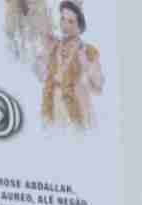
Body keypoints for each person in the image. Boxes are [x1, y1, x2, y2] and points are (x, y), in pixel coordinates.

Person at [36, 1, 103, 129]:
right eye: (62, 19)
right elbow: (41, 76)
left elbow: (98, 88)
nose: (65, 26)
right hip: (53, 107)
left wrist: (85, 66)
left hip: (76, 107)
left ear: (79, 26)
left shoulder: (87, 51)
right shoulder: (54, 46)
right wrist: (43, 56)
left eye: (71, 21)